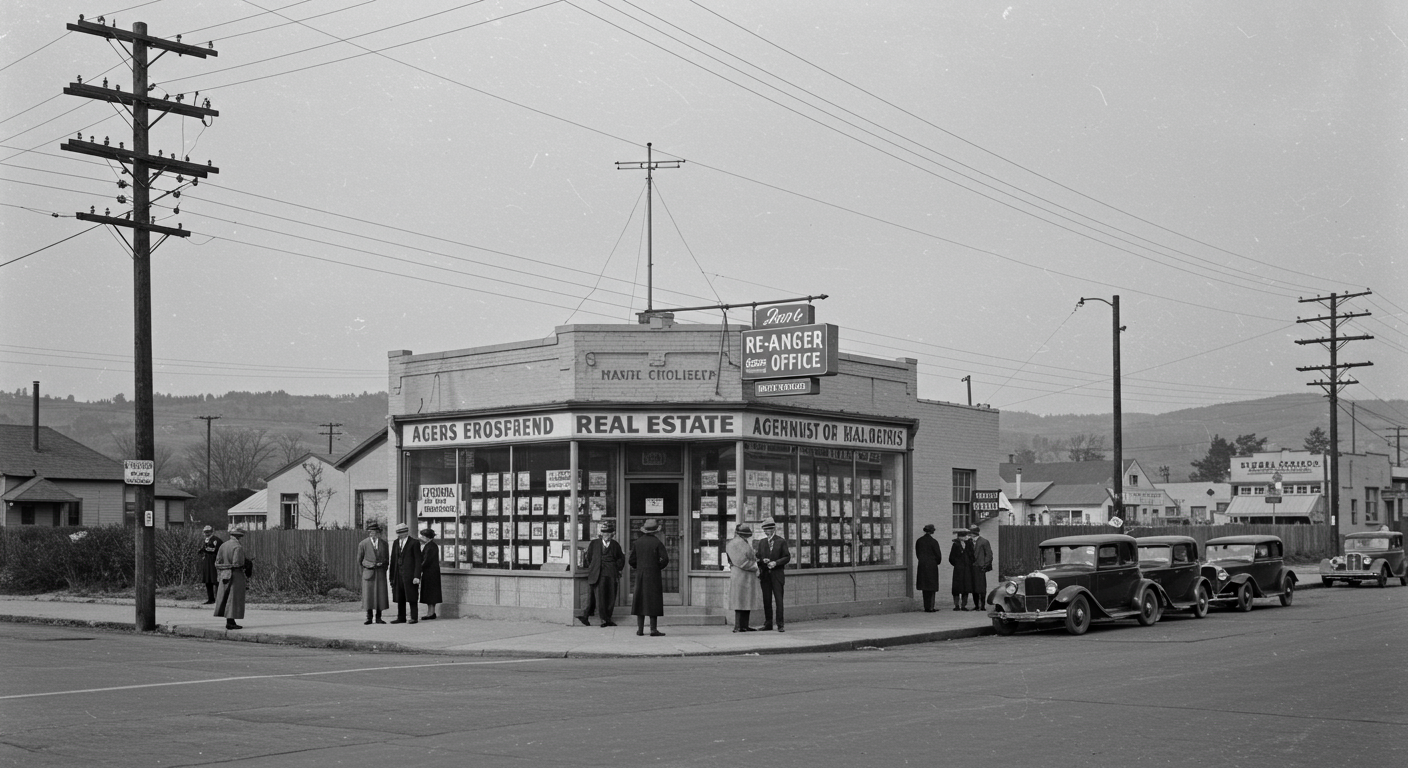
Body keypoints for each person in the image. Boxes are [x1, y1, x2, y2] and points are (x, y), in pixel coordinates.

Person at [580, 520, 625, 627]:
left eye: (609, 533)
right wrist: (594, 567)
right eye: (604, 533)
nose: (606, 535)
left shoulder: (615, 545)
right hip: (597, 574)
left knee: (610, 596)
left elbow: (621, 558)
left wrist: (616, 567)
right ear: (601, 534)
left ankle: (607, 618)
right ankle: (603, 619)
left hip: (611, 574)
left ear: (612, 534)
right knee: (599, 597)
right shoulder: (594, 543)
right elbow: (589, 558)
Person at [629, 518, 669, 636]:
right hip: (654, 575)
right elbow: (665, 559)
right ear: (656, 531)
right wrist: (657, 567)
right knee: (653, 601)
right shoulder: (657, 542)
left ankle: (640, 629)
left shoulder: (637, 542)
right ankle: (653, 629)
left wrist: (639, 567)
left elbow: (631, 560)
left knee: (640, 601)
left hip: (641, 575)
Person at [754, 517, 791, 632]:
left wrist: (776, 562)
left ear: (773, 529)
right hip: (765, 575)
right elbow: (757, 557)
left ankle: (780, 624)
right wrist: (761, 561)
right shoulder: (762, 542)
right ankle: (768, 623)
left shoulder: (781, 541)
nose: (766, 532)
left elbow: (787, 557)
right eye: (765, 530)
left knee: (779, 600)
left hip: (777, 575)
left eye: (768, 530)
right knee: (767, 600)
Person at [726, 522, 761, 632]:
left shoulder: (741, 542)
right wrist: (756, 565)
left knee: (746, 601)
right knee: (740, 601)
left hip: (745, 576)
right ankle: (738, 626)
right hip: (741, 576)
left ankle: (744, 625)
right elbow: (741, 561)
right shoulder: (734, 544)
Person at [212, 526, 248, 630]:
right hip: (235, 575)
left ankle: (230, 621)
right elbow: (237, 563)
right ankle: (231, 622)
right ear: (239, 536)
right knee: (234, 598)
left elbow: (217, 563)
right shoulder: (237, 547)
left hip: (224, 575)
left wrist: (224, 567)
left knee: (226, 597)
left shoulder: (223, 545)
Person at [389, 522, 422, 624]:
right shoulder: (395, 543)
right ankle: (401, 617)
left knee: (412, 596)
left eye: (400, 533)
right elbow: (393, 560)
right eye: (397, 533)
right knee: (400, 596)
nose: (399, 535)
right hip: (398, 574)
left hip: (410, 575)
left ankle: (414, 617)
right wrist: (391, 577)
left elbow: (418, 560)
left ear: (405, 532)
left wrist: (417, 576)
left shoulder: (414, 543)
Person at [358, 521, 390, 625]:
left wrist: (383, 566)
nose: (373, 534)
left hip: (380, 573)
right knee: (369, 596)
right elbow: (359, 560)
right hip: (369, 573)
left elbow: (387, 559)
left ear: (378, 533)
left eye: (375, 532)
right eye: (371, 532)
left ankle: (379, 617)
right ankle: (369, 617)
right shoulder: (363, 544)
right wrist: (367, 566)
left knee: (380, 596)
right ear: (369, 533)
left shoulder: (384, 544)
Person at [915, 524, 942, 612]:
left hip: (922, 565)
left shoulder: (919, 541)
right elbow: (938, 555)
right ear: (932, 531)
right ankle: (931, 607)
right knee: (932, 587)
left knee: (924, 587)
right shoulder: (934, 542)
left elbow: (918, 553)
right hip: (932, 566)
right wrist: (936, 562)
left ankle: (926, 606)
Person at [418, 528, 443, 620]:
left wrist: (419, 569)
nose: (421, 537)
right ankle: (430, 612)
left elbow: (426, 560)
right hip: (431, 573)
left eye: (423, 536)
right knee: (430, 594)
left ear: (427, 537)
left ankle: (431, 613)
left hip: (430, 573)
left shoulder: (431, 546)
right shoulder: (430, 545)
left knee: (430, 594)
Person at [969, 524, 993, 610]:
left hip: (980, 566)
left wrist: (985, 564)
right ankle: (976, 605)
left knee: (981, 586)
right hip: (972, 567)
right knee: (973, 587)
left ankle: (982, 605)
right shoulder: (969, 542)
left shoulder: (984, 541)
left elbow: (989, 554)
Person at [949, 528, 974, 611]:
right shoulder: (955, 545)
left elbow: (972, 556)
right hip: (958, 570)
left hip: (966, 569)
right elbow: (951, 557)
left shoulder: (969, 544)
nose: (965, 537)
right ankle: (956, 605)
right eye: (963, 536)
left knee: (965, 588)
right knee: (956, 588)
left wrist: (969, 563)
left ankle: (963, 605)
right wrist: (957, 564)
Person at [198, 525, 221, 604]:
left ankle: (218, 598)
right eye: (205, 532)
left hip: (213, 561)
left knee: (215, 580)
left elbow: (218, 550)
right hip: (207, 562)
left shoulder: (216, 540)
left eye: (208, 532)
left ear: (212, 532)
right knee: (208, 580)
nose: (206, 534)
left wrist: (208, 550)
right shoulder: (205, 540)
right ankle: (210, 598)